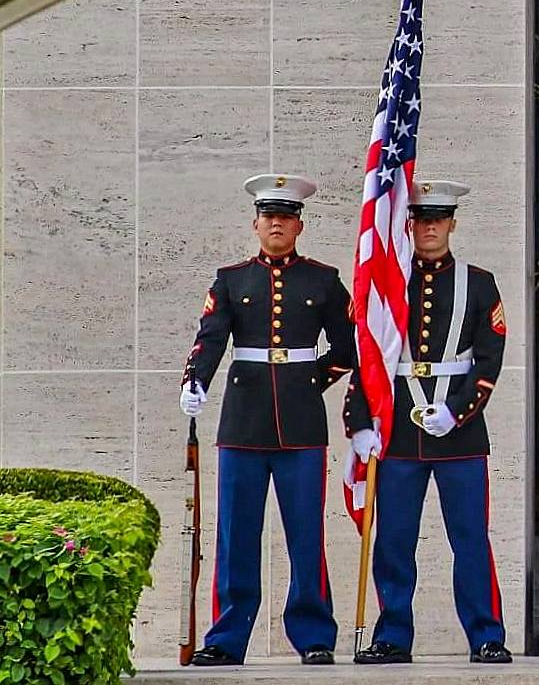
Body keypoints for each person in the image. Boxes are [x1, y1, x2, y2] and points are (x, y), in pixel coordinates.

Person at [179, 174, 355, 666]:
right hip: (243, 421)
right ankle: (227, 639)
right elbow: (211, 337)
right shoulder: (232, 279)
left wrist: (307, 381)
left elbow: (346, 350)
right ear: (255, 223)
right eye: (268, 216)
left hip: (301, 424)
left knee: (306, 534)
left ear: (299, 224)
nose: (277, 224)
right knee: (236, 534)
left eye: (286, 216)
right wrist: (194, 382)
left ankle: (314, 635)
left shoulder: (323, 280)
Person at [348, 180, 511, 665]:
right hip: (397, 430)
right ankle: (393, 635)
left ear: (453, 224)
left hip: (459, 433)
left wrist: (456, 411)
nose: (430, 227)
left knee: (470, 540)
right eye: (421, 219)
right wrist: (360, 422)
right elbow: (367, 357)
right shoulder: (388, 282)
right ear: (409, 224)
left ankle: (485, 634)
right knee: (394, 540)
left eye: (439, 219)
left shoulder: (479, 283)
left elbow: (489, 359)